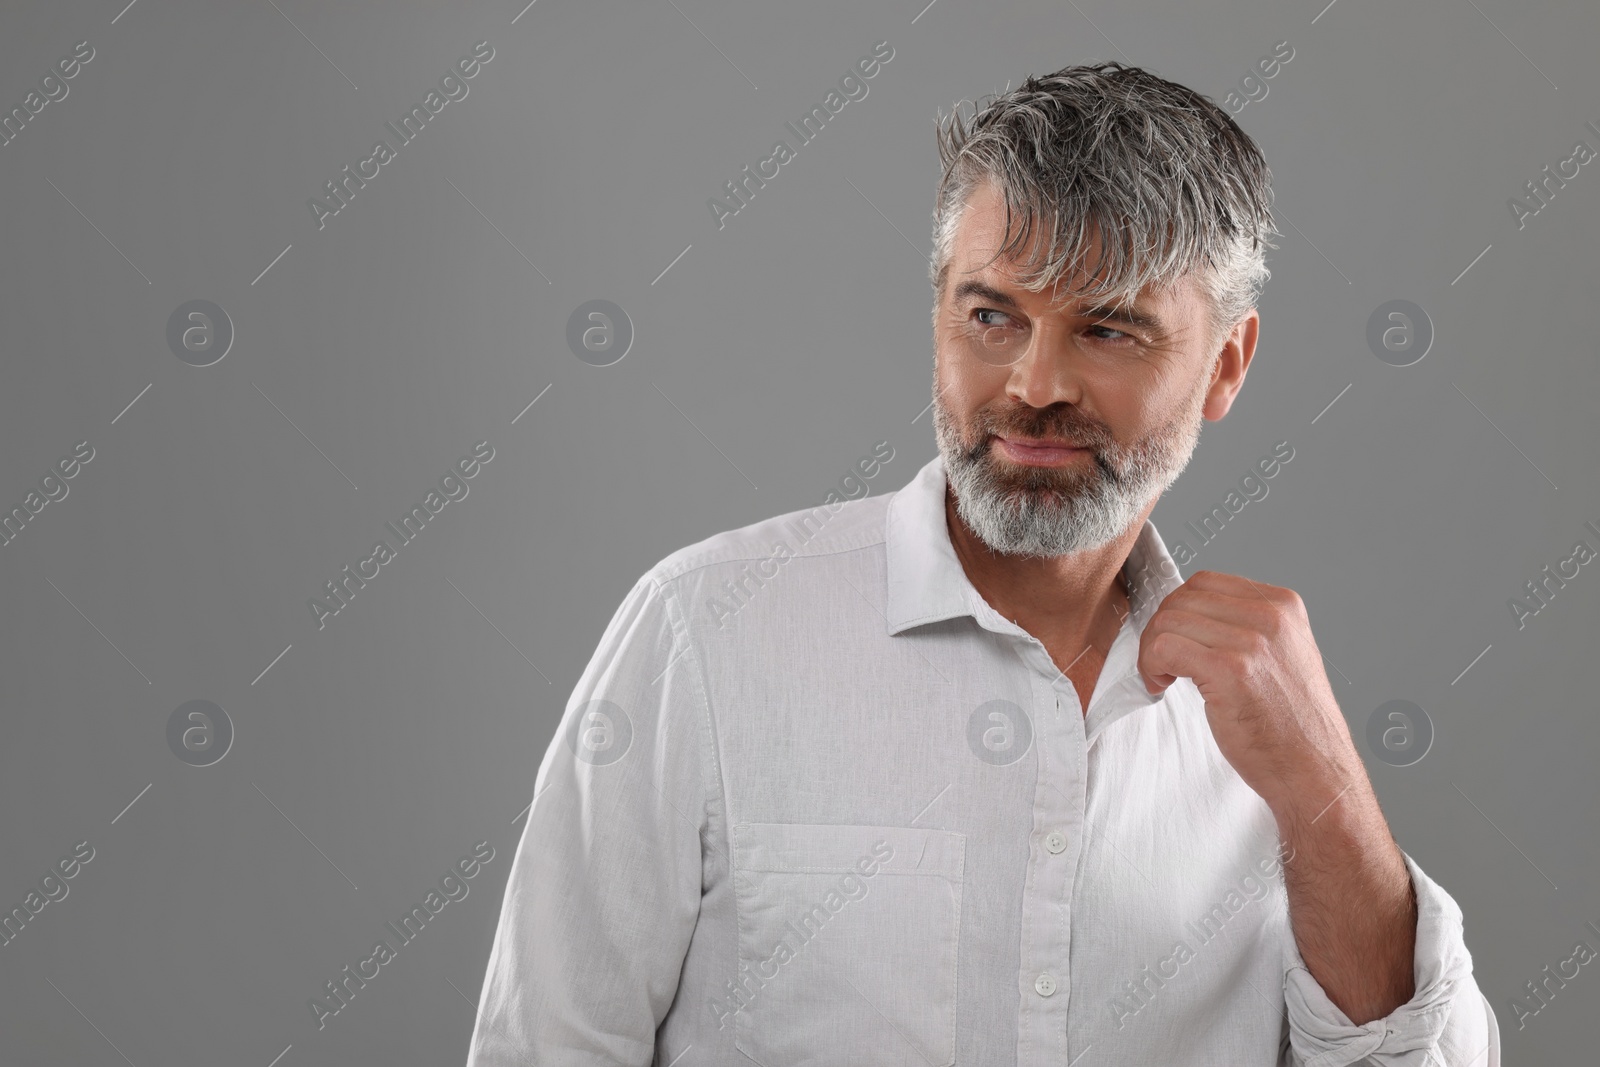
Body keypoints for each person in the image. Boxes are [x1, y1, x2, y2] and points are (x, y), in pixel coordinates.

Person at [463, 60, 1498, 1066]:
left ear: (1224, 363)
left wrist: (1325, 790)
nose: (1034, 382)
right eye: (992, 314)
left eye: (1106, 327)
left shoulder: (1268, 724)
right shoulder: (704, 632)